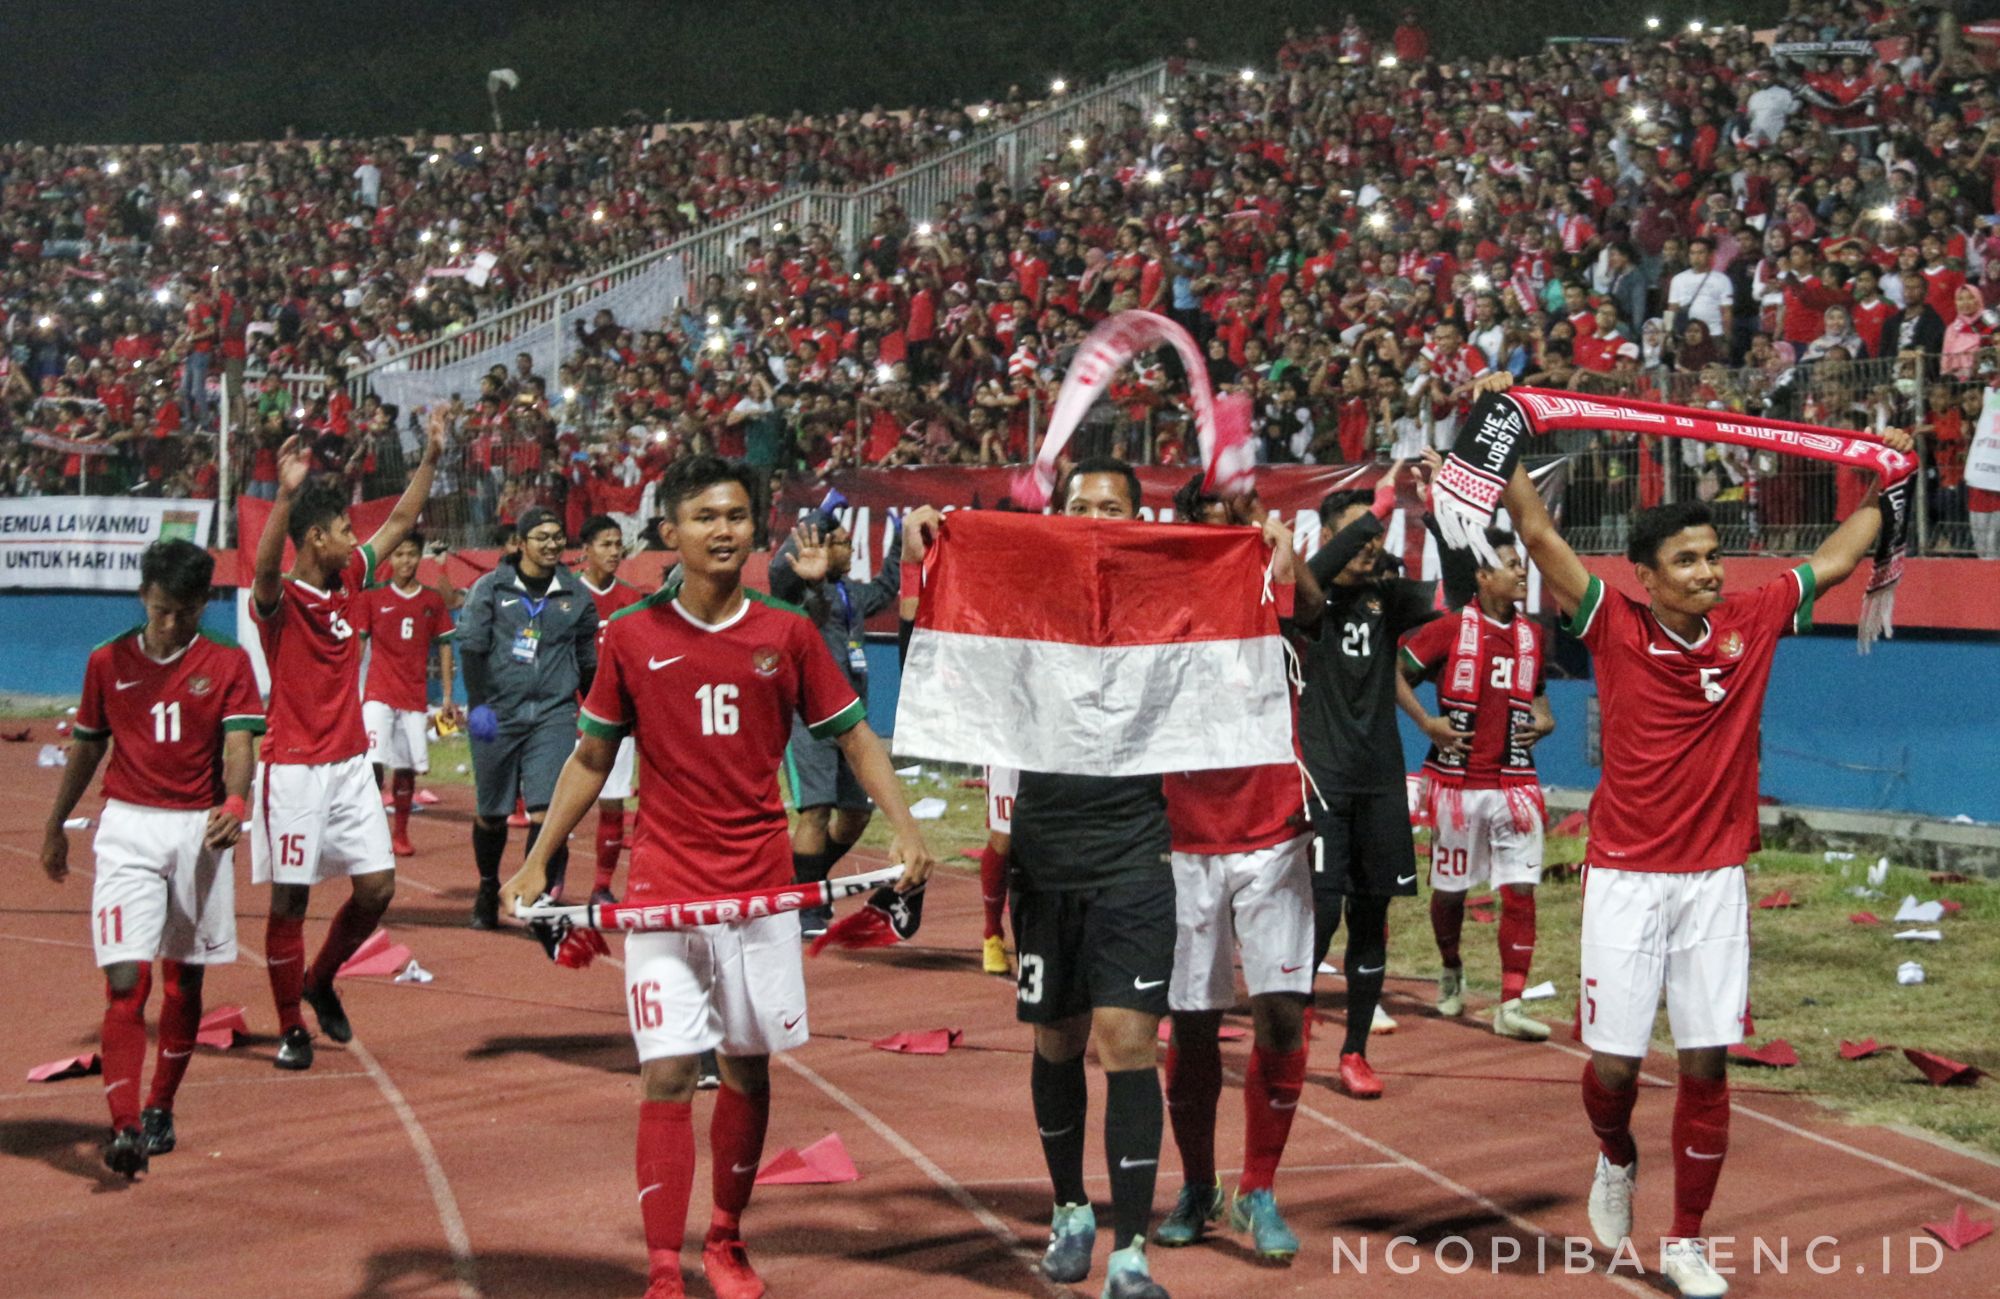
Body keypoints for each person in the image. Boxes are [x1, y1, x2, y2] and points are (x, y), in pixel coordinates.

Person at [498, 454, 935, 1299]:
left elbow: (854, 736)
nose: (724, 529)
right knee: (666, 1072)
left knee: (747, 1066)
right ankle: (663, 1267)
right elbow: (592, 757)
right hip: (663, 890)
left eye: (737, 515)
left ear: (755, 527)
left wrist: (909, 832)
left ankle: (726, 1239)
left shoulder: (787, 632)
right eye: (705, 517)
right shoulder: (628, 633)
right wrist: (536, 859)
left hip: (760, 887)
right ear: (670, 533)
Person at [1501, 425, 1913, 1299]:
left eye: (1713, 555)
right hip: (1624, 873)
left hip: (1715, 878)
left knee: (1706, 1058)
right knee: (1613, 1064)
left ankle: (1686, 1238)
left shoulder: (1753, 620)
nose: (1706, 571)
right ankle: (1614, 1153)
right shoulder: (1612, 623)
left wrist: (1888, 473)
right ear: (1645, 576)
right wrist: (1501, 429)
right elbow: (1538, 534)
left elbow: (1839, 556)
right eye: (1685, 560)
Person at [995, 458, 1178, 1299]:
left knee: (1127, 1038)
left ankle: (1130, 1251)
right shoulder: (1027, 605)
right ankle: (1072, 1208)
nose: (1095, 516)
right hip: (1047, 852)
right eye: (1080, 506)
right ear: (1058, 516)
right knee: (1057, 1038)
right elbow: (946, 661)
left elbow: (1272, 626)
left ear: (1139, 518)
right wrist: (921, 557)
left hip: (1135, 849)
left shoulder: (1171, 606)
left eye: (1111, 505)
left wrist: (1274, 559)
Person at [40, 540, 263, 1176]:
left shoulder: (227, 661)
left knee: (184, 980)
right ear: (143, 597)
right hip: (127, 829)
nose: (170, 625)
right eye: (161, 610)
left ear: (202, 605)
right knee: (125, 982)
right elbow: (85, 746)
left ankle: (161, 1103)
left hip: (198, 831)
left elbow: (242, 742)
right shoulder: (106, 661)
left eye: (185, 613)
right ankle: (125, 1126)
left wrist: (238, 800)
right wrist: (55, 824)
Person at [1154, 477, 1313, 1263]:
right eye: (1206, 518)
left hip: (1272, 827)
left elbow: (1315, 615)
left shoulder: (1273, 576)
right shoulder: (1158, 600)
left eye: (1236, 516)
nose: (1223, 530)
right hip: (1183, 836)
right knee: (1191, 1021)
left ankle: (1259, 1185)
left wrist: (1288, 559)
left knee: (1283, 1009)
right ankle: (1195, 1182)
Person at [249, 425, 439, 1071]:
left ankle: (320, 978)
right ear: (316, 541)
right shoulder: (279, 601)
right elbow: (263, 568)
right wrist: (283, 498)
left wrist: (432, 457)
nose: (358, 542)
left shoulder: (348, 579)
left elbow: (401, 517)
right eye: (344, 533)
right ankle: (289, 1027)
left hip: (353, 764)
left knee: (378, 889)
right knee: (290, 901)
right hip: (293, 771)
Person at [1293, 463, 1438, 1099]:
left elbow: (1454, 589)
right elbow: (1321, 572)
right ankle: (1294, 1021)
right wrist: (1379, 509)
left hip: (1380, 782)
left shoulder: (1387, 600)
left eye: (1376, 538)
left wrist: (1434, 510)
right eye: (1356, 537)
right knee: (1320, 913)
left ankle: (1353, 1051)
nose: (1370, 548)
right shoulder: (1305, 597)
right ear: (1326, 536)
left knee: (1371, 915)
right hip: (1322, 780)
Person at [1397, 526, 1556, 1040]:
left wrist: (1546, 719)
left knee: (1520, 893)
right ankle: (1451, 968)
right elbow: (1393, 671)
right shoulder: (1448, 629)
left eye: (1521, 565)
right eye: (1512, 565)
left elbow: (1539, 697)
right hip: (1457, 789)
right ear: (1483, 576)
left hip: (1516, 786)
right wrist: (1427, 724)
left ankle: (1510, 1003)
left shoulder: (1532, 635)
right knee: (1449, 895)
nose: (1521, 572)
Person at [457, 506, 600, 925]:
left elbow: (587, 659)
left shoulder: (576, 595)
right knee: (491, 811)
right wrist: (479, 705)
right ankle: (487, 885)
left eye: (558, 536)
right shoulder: (490, 588)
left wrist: (596, 709)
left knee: (546, 812)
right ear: (520, 543)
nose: (553, 544)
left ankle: (531, 894)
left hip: (554, 714)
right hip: (498, 713)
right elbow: (471, 648)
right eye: (542, 536)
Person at [767, 498, 901, 937]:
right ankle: (805, 907)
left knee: (855, 814)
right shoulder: (800, 592)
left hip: (851, 719)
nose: (848, 550)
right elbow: (779, 571)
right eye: (841, 543)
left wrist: (899, 541)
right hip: (808, 716)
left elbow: (888, 586)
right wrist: (822, 516)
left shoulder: (853, 593)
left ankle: (802, 884)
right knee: (816, 810)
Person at [357, 532, 457, 857]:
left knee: (405, 767)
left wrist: (446, 696)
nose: (405, 561)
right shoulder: (372, 597)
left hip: (413, 697)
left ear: (420, 557)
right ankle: (369, 831)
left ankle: (400, 833)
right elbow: (358, 646)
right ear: (390, 559)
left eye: (412, 554)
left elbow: (445, 647)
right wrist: (347, 690)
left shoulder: (431, 601)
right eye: (399, 554)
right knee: (373, 762)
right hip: (377, 693)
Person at [574, 514, 649, 906]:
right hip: (567, 715)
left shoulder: (632, 599)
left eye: (617, 543)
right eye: (605, 543)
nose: (613, 551)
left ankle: (601, 885)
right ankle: (548, 881)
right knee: (554, 803)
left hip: (613, 718)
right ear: (585, 550)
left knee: (613, 801)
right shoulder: (567, 595)